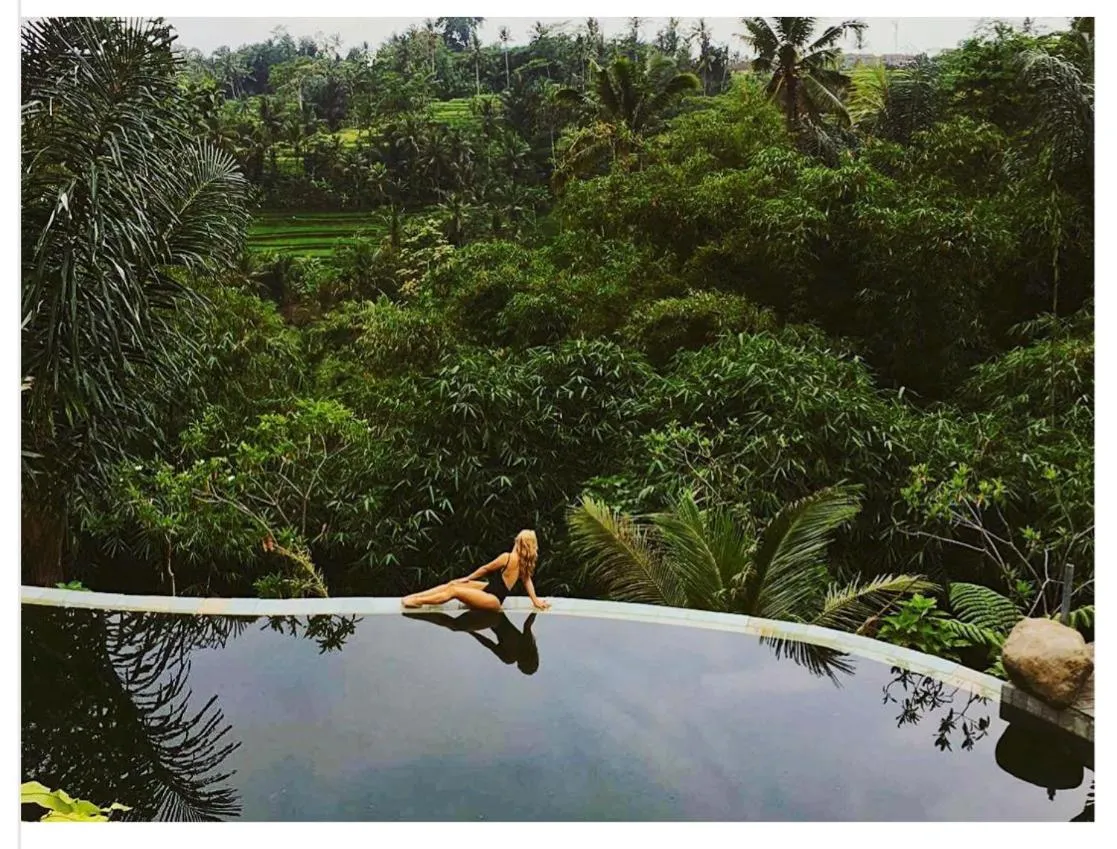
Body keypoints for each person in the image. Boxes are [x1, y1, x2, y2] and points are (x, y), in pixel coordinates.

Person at [401, 529, 551, 611]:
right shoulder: (523, 563)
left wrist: (468, 578)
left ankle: (417, 600)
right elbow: (527, 581)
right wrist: (535, 601)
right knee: (453, 583)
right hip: (489, 590)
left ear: (519, 542)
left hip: (493, 599)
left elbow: (485, 569)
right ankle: (415, 596)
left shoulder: (507, 558)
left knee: (454, 590)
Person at [403, 610, 540, 675]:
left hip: (494, 617)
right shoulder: (511, 656)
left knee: (455, 625)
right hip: (493, 618)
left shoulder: (519, 649)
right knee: (455, 626)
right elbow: (489, 644)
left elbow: (527, 625)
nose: (519, 668)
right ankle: (415, 614)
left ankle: (416, 614)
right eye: (522, 668)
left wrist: (536, 610)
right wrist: (472, 633)